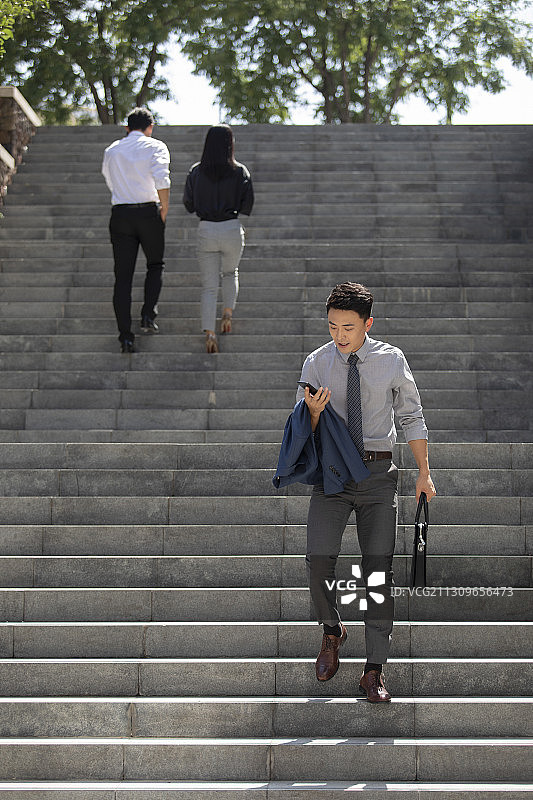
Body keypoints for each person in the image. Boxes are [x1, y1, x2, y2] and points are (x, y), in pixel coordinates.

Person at [295, 282, 436, 702]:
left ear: (367, 323)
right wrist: (314, 415)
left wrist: (424, 473)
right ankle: (332, 629)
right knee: (317, 559)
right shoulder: (316, 362)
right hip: (333, 478)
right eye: (333, 326)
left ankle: (373, 671)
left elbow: (411, 415)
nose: (340, 336)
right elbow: (300, 429)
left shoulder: (391, 360)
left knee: (377, 574)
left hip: (378, 478)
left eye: (349, 328)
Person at [102, 107, 170, 353]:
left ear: (127, 128)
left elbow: (109, 180)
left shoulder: (112, 150)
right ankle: (148, 315)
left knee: (123, 277)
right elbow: (162, 179)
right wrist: (164, 209)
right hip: (148, 211)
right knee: (155, 264)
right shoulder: (156, 147)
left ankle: (125, 336)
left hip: (121, 214)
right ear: (150, 127)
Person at [183, 124, 254, 353]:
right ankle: (227, 314)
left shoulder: (195, 171)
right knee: (230, 272)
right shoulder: (240, 171)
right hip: (231, 228)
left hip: (206, 229)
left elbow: (188, 204)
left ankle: (210, 332)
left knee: (209, 286)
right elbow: (247, 204)